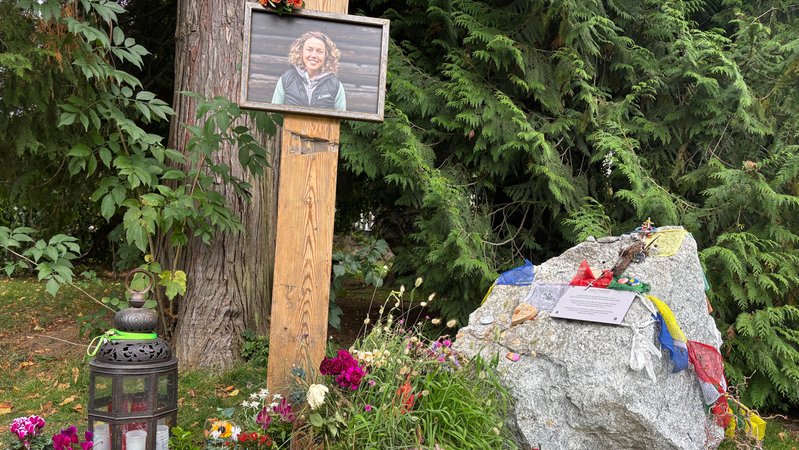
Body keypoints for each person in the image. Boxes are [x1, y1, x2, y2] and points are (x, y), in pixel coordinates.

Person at [271, 31, 346, 111]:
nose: (313, 55)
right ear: (301, 52)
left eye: (319, 51)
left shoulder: (336, 86)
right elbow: (274, 115)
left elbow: (341, 120)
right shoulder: (286, 80)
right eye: (309, 50)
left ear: (326, 56)